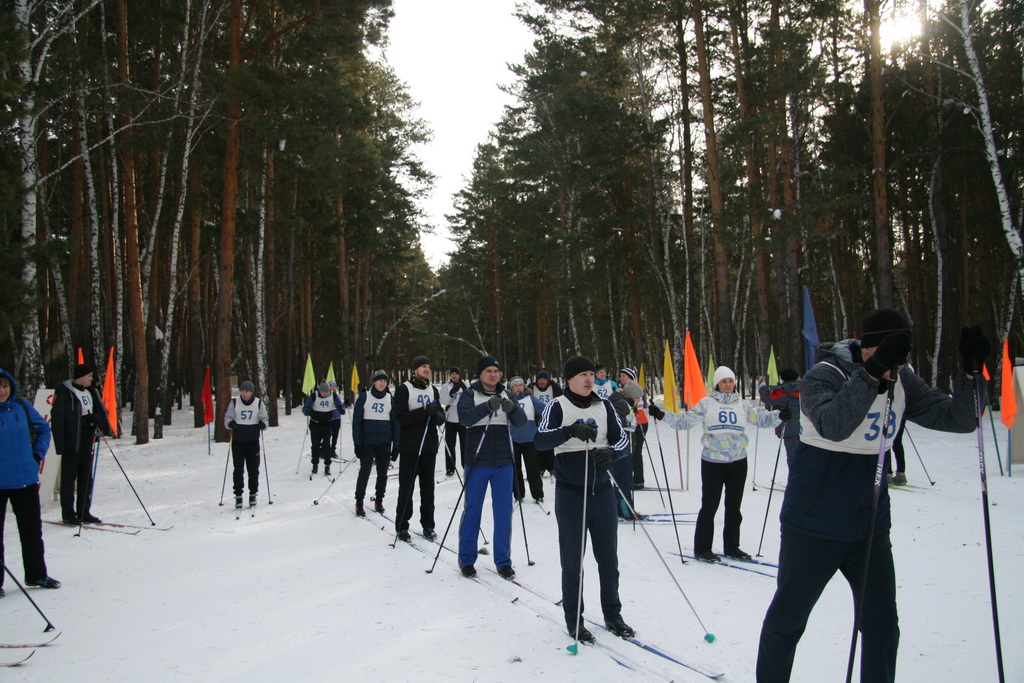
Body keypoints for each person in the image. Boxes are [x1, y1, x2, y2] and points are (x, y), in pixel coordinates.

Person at [755, 310, 989, 683]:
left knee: (882, 627)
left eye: (901, 356)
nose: (897, 365)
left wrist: (971, 375)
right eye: (888, 353)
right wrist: (871, 374)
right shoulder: (823, 376)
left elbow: (958, 419)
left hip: (869, 526)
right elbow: (834, 425)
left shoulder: (901, 379)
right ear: (865, 347)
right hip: (813, 525)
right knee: (788, 622)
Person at [535, 355, 634, 642]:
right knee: (572, 562)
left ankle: (613, 615)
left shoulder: (604, 406)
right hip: (571, 494)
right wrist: (569, 431)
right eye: (582, 374)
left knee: (608, 559)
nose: (589, 378)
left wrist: (612, 452)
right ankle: (574, 620)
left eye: (591, 373)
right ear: (568, 379)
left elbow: (623, 439)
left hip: (602, 493)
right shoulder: (558, 406)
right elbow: (541, 440)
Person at [648, 365, 780, 562]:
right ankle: (702, 548)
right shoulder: (707, 403)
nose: (728, 385)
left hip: (738, 461)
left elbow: (761, 419)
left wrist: (780, 415)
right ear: (717, 384)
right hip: (713, 462)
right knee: (710, 505)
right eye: (724, 381)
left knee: (734, 506)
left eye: (730, 381)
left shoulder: (742, 405)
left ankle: (732, 547)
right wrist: (662, 415)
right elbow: (685, 421)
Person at [456, 357, 525, 578]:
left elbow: (522, 422)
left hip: (504, 463)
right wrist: (486, 407)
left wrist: (512, 409)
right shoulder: (470, 394)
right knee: (473, 511)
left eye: (496, 370)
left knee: (504, 513)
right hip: (478, 462)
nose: (493, 375)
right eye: (488, 371)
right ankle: (467, 560)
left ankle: (503, 561)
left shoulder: (508, 394)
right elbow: (465, 418)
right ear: (480, 374)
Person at [0, 368, 60, 595]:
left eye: (5, 386)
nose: (2, 391)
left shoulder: (22, 407)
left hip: (25, 479)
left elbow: (44, 428)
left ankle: (36, 575)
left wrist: (36, 456)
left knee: (31, 530)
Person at [51, 362, 113, 525]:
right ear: (81, 377)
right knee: (69, 478)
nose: (91, 378)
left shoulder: (91, 392)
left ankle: (84, 511)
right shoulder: (66, 393)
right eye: (89, 376)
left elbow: (99, 410)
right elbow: (59, 417)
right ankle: (68, 514)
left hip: (88, 439)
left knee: (86, 476)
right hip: (72, 440)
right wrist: (61, 443)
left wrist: (99, 420)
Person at [393, 355, 444, 541]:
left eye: (428, 366)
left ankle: (428, 525)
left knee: (428, 489)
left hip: (429, 446)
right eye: (423, 366)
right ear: (414, 369)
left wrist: (439, 416)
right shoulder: (404, 389)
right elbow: (400, 417)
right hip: (410, 447)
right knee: (406, 488)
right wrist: (424, 412)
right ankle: (402, 526)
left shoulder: (432, 389)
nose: (426, 369)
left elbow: (439, 412)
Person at [352, 369, 400, 517]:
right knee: (365, 472)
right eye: (380, 381)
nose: (382, 383)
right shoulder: (364, 397)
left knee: (382, 474)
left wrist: (396, 445)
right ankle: (359, 501)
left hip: (384, 443)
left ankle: (379, 500)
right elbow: (357, 422)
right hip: (367, 443)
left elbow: (395, 423)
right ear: (373, 382)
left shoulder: (389, 399)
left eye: (385, 381)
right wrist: (358, 444)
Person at [224, 380, 269, 509]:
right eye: (243, 391)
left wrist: (262, 425)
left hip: (253, 441)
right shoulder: (234, 402)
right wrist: (231, 424)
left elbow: (265, 419)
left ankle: (253, 494)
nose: (244, 394)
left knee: (253, 470)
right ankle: (238, 495)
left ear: (251, 392)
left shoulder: (258, 403)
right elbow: (227, 418)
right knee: (238, 470)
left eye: (247, 391)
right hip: (238, 441)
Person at [508, 376, 546, 503]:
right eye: (516, 386)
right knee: (515, 468)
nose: (519, 388)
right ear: (511, 388)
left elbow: (543, 408)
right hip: (514, 440)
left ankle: (537, 494)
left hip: (530, 439)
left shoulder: (531, 398)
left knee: (533, 468)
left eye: (520, 385)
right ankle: (518, 494)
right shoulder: (509, 400)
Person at [758, 368, 801, 468]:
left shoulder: (782, 392)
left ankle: (795, 482)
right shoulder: (805, 390)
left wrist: (762, 385)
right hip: (807, 431)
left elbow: (767, 398)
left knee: (793, 461)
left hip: (790, 432)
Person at [302, 382, 345, 478]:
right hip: (315, 424)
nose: (324, 393)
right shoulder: (314, 396)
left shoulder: (333, 395)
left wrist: (341, 409)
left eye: (326, 392)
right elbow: (305, 408)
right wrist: (308, 411)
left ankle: (327, 465)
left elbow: (338, 404)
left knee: (326, 445)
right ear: (319, 391)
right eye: (322, 392)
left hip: (327, 423)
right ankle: (315, 464)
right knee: (315, 445)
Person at [618, 368, 649, 489]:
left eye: (624, 375)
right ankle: (630, 478)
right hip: (631, 422)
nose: (621, 378)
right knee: (630, 452)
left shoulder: (635, 388)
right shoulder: (623, 390)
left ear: (631, 377)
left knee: (636, 451)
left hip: (640, 421)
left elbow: (637, 405)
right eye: (620, 376)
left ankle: (638, 480)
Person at [529, 370, 562, 477]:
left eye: (544, 379)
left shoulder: (554, 387)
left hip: (550, 418)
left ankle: (552, 466)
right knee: (537, 443)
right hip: (535, 418)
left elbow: (561, 399)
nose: (542, 382)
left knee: (549, 442)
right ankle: (540, 467)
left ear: (548, 381)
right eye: (540, 380)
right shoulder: (531, 388)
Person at [439, 367, 468, 475]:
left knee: (464, 444)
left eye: (456, 374)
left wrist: (464, 390)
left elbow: (470, 399)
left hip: (462, 419)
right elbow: (443, 401)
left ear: (459, 375)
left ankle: (466, 465)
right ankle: (450, 467)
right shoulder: (446, 386)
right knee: (450, 444)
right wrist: (451, 393)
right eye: (452, 374)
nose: (454, 376)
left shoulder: (465, 385)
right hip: (450, 419)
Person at [328, 380, 343, 460]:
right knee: (328, 434)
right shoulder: (327, 396)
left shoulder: (337, 396)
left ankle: (333, 449)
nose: (334, 388)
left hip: (337, 417)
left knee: (335, 434)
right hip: (330, 418)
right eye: (332, 386)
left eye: (335, 386)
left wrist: (344, 405)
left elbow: (340, 406)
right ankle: (326, 449)